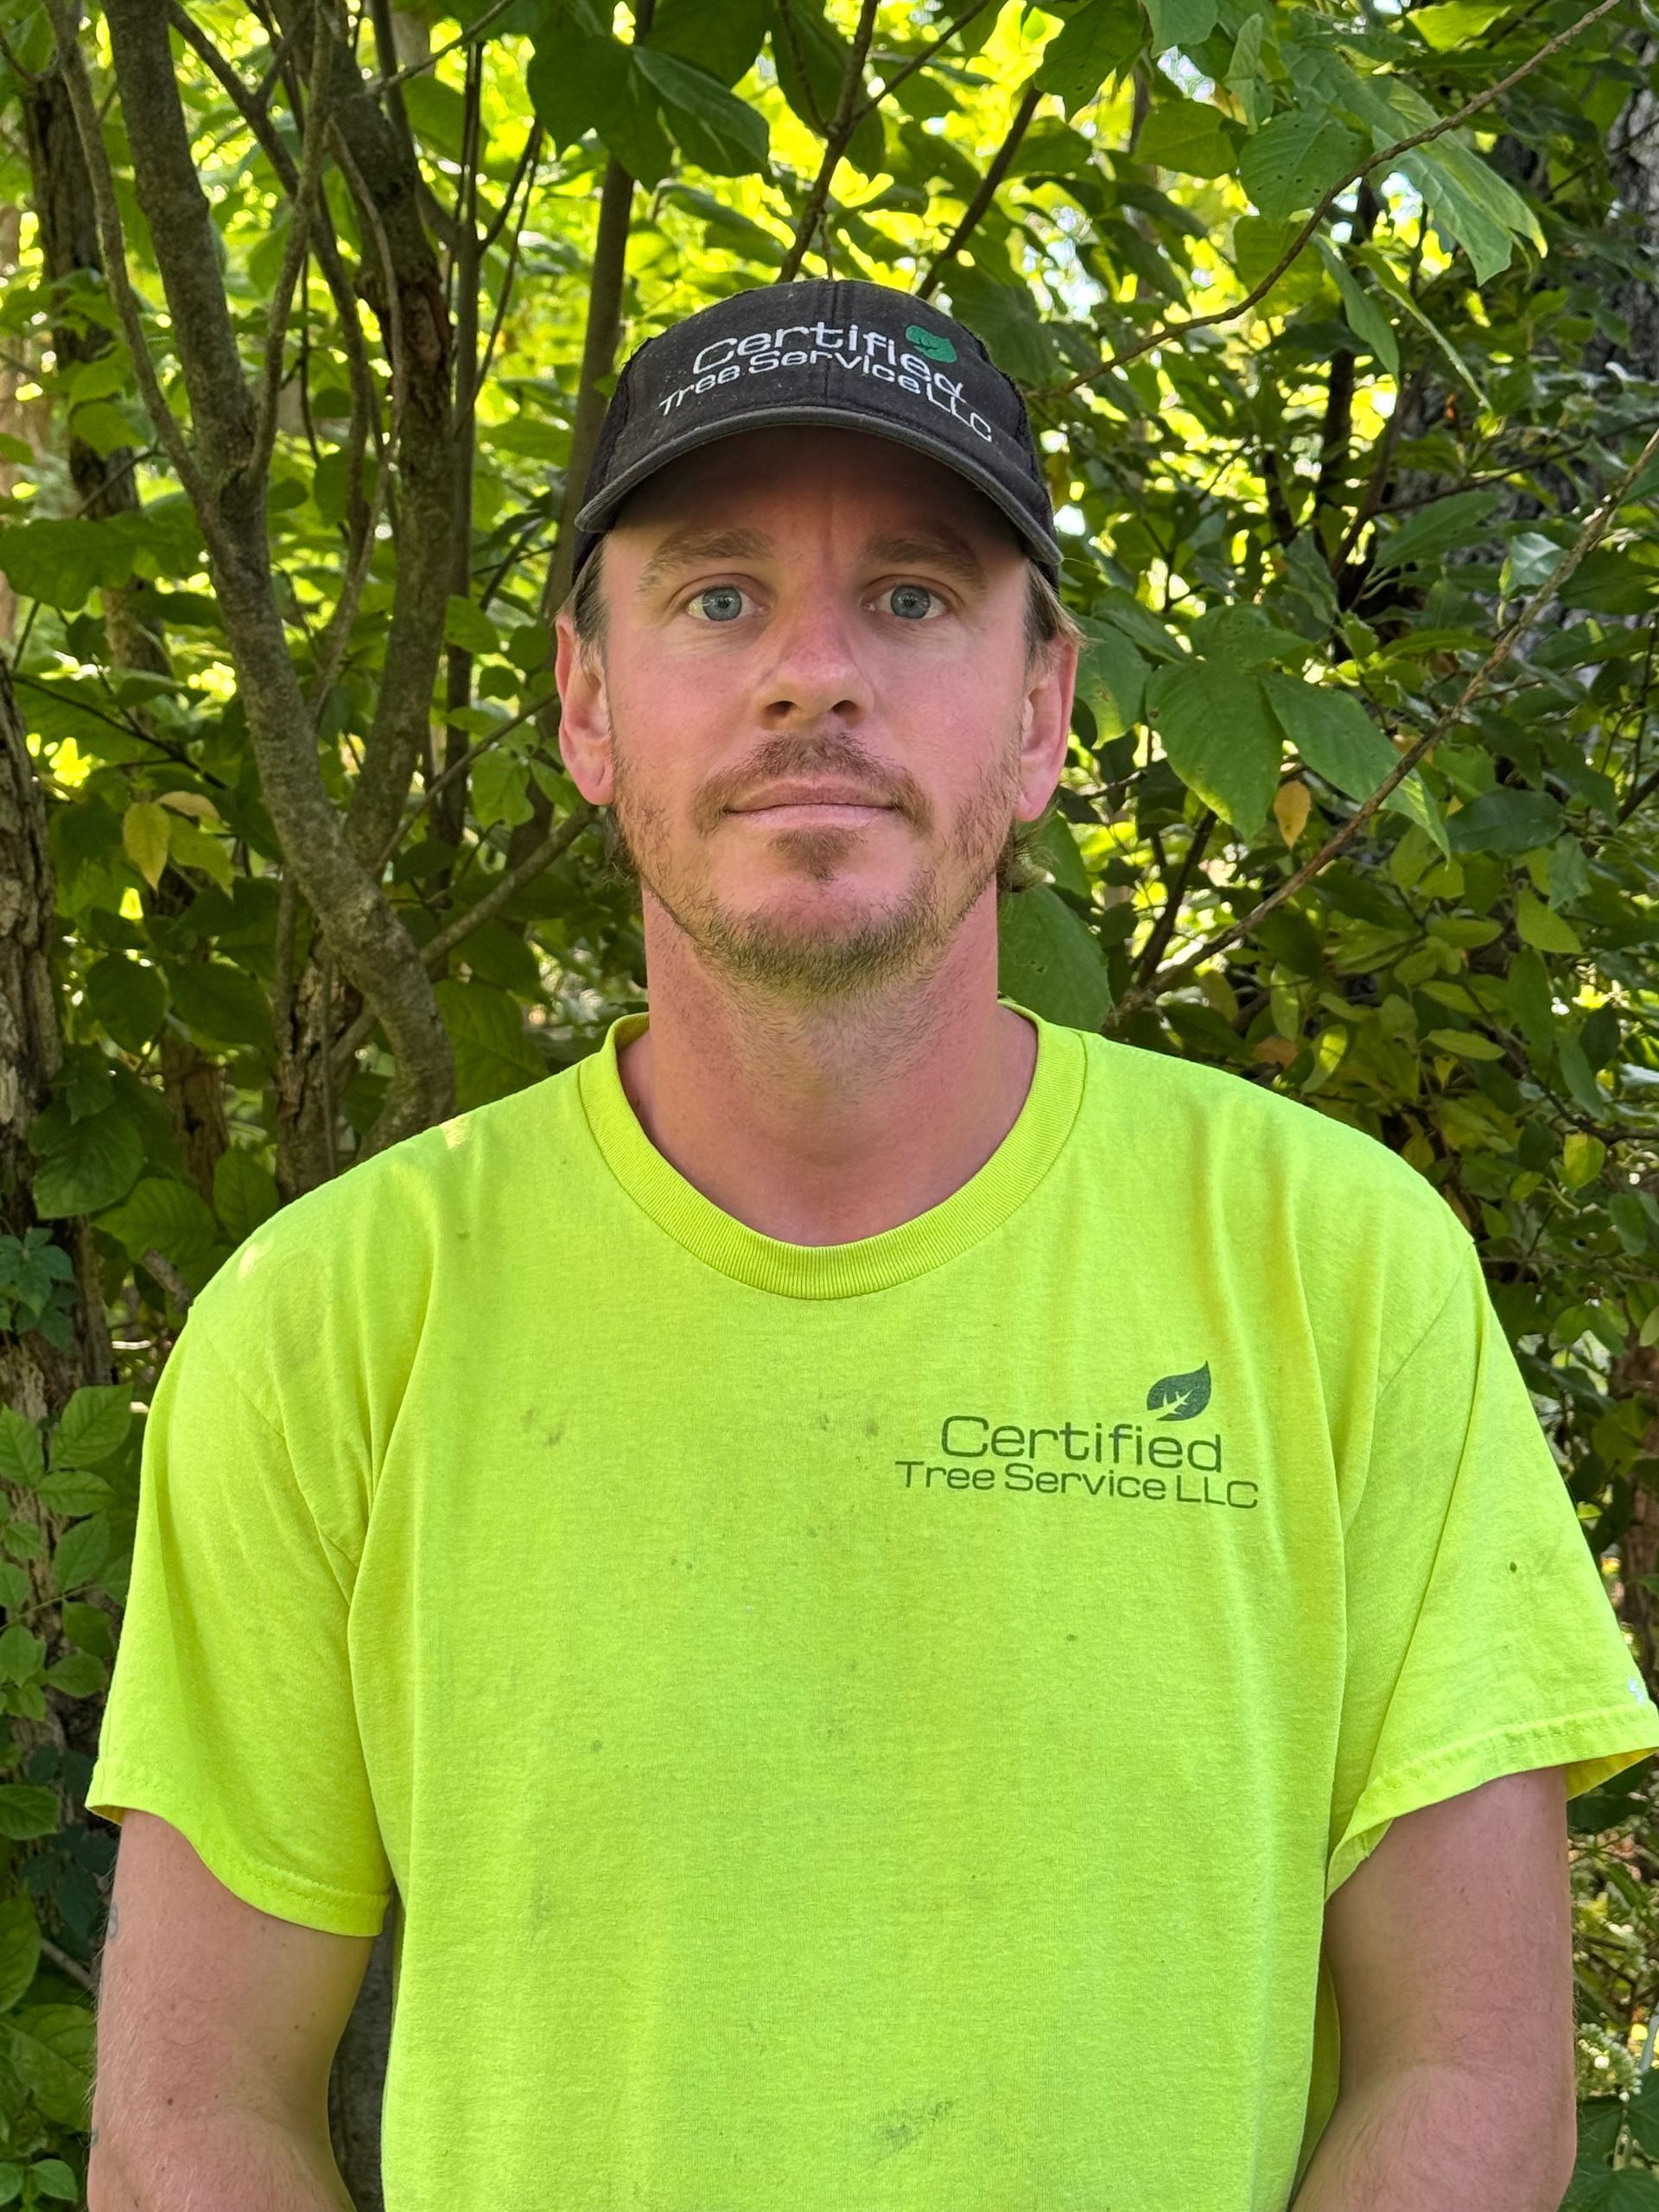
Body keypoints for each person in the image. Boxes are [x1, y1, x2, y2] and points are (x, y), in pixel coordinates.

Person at [85, 276, 1658, 2212]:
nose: (810, 674)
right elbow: (190, 2120)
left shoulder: (1339, 1273)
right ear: (589, 700)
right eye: (718, 596)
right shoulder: (333, 1321)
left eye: (910, 598)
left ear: (1041, 708)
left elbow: (1474, 2075)